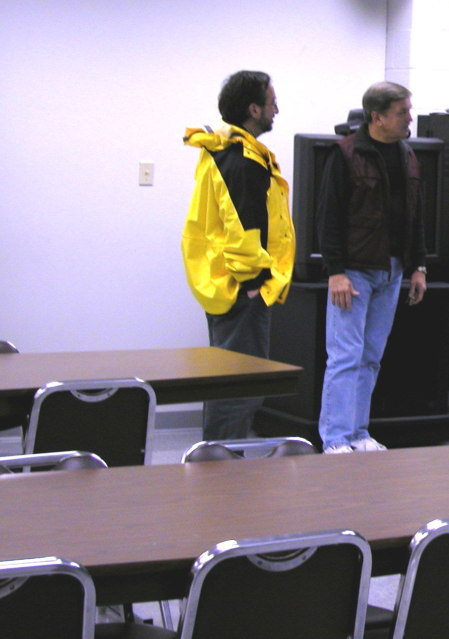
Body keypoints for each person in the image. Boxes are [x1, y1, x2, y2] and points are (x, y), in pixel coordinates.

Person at [182, 70, 295, 441]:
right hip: (241, 289)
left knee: (229, 383)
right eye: (271, 101)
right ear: (253, 108)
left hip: (227, 284)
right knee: (240, 389)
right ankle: (221, 474)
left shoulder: (229, 152)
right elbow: (243, 227)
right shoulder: (243, 161)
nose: (276, 109)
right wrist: (254, 281)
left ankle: (218, 465)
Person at [316, 81, 428, 454]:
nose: (410, 118)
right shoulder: (346, 155)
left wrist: (418, 267)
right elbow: (328, 218)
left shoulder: (408, 155)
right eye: (402, 112)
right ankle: (335, 438)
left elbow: (415, 217)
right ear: (377, 117)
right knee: (345, 357)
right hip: (355, 272)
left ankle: (358, 433)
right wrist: (336, 272)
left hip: (393, 271)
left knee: (370, 358)